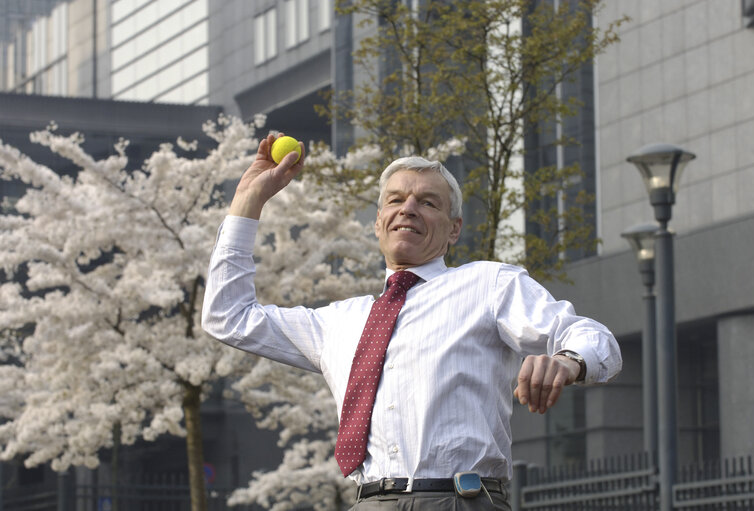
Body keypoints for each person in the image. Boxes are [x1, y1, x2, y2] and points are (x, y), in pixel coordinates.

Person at [202, 134, 622, 510]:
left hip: (461, 500)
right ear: (378, 223)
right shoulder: (339, 322)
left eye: (427, 201)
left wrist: (567, 361)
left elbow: (594, 338)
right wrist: (249, 199)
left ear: (454, 229)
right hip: (368, 502)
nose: (408, 209)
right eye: (395, 199)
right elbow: (228, 316)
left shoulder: (488, 283)